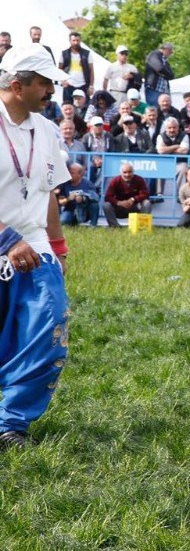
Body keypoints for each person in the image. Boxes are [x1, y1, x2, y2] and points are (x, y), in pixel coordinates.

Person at [0, 44, 73, 450]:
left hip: (36, 247)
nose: (51, 91)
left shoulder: (46, 130)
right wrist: (8, 240)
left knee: (49, 331)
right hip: (6, 243)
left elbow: (47, 193)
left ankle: (12, 424)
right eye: (45, 83)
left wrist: (57, 249)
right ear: (17, 84)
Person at [103, 162, 152, 227]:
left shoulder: (139, 179)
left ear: (133, 172)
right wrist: (119, 202)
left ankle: (142, 226)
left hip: (135, 207)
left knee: (147, 203)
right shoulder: (115, 180)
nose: (127, 174)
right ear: (121, 172)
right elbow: (108, 197)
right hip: (119, 208)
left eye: (130, 172)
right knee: (106, 205)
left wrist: (133, 199)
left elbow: (145, 194)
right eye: (125, 172)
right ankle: (114, 226)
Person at [57, 32, 94, 104]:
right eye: (74, 40)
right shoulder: (64, 53)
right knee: (68, 106)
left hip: (83, 86)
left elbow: (91, 70)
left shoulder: (87, 54)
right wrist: (62, 81)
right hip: (69, 85)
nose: (76, 42)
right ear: (70, 41)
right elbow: (59, 68)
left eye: (77, 40)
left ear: (80, 41)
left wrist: (91, 86)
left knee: (84, 108)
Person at [144, 42, 174, 108]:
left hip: (164, 90)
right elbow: (159, 68)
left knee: (166, 110)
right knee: (154, 109)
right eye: (170, 52)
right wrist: (165, 73)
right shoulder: (153, 55)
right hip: (154, 89)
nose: (170, 54)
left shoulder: (165, 60)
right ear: (166, 50)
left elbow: (172, 75)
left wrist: (163, 74)